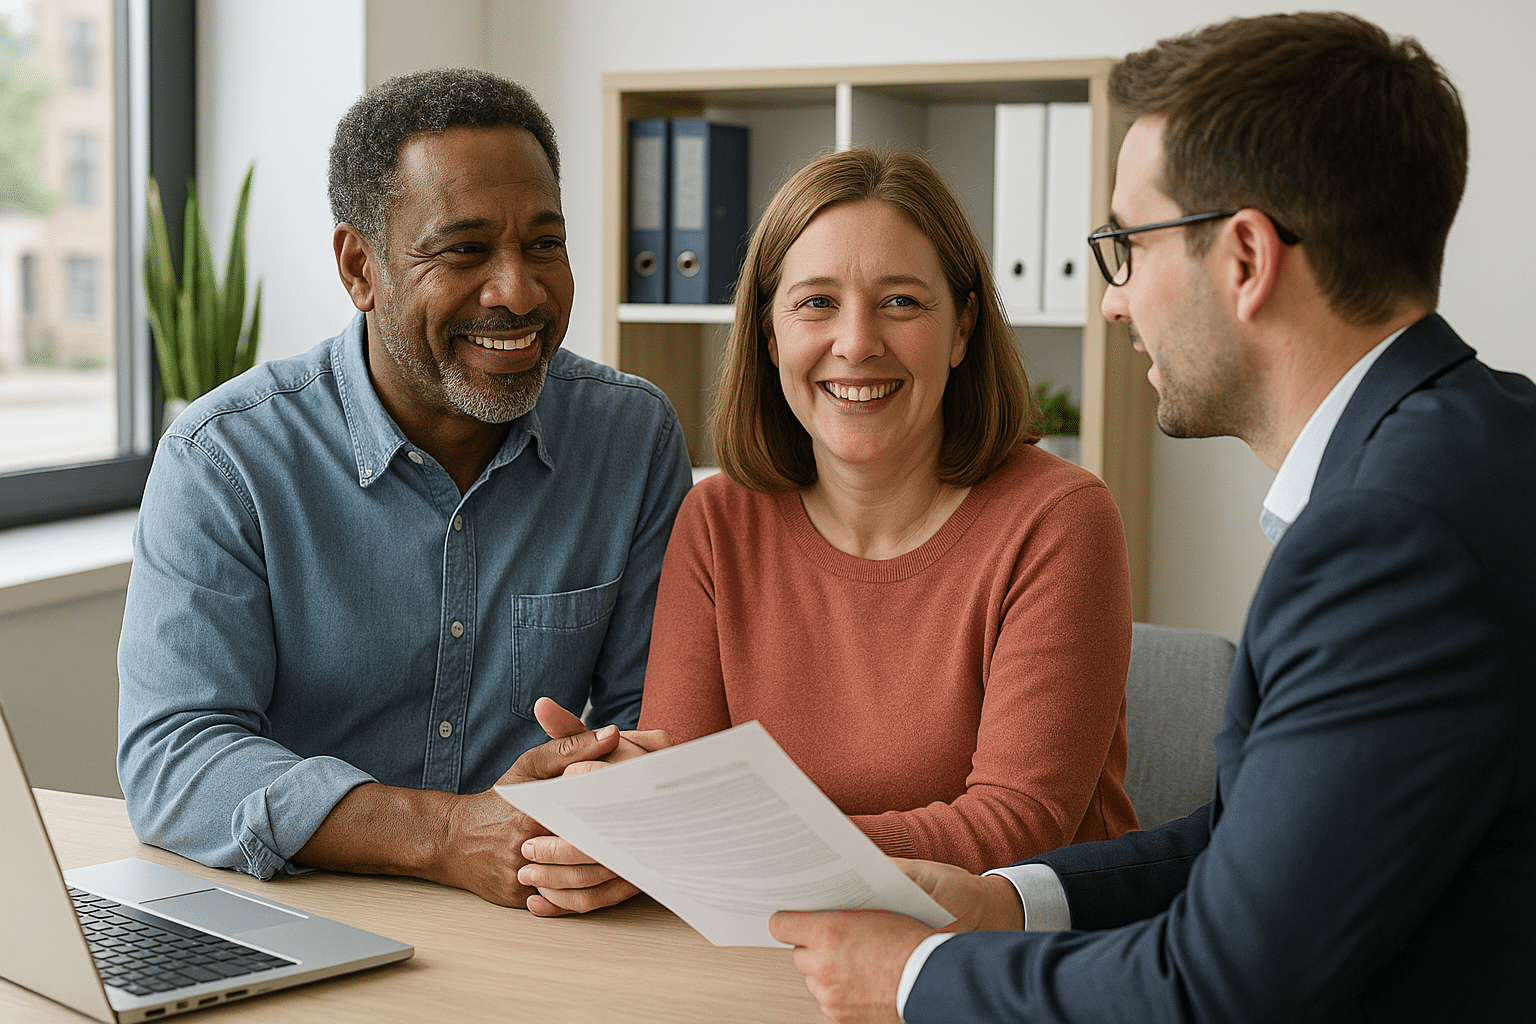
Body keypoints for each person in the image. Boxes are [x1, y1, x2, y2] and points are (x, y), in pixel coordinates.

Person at [768, 13, 1536, 1024]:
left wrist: (911, 980)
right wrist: (1010, 901)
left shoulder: (1391, 538)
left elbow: (1218, 987)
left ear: (1246, 258)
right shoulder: (1478, 439)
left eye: (1126, 247)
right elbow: (1252, 842)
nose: (1112, 303)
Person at [116, 68, 690, 908]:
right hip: (309, 911)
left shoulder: (631, 437)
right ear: (361, 267)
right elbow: (176, 758)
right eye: (464, 251)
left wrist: (603, 800)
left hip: (541, 916)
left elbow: (652, 718)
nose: (519, 291)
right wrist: (449, 835)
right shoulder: (224, 459)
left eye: (544, 244)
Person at [517, 147, 1138, 915]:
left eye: (901, 301)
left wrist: (718, 843)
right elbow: (688, 799)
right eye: (816, 302)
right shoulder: (717, 521)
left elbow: (1014, 830)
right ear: (770, 335)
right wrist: (613, 805)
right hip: (775, 938)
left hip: (1011, 955)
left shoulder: (1059, 520)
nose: (856, 342)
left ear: (962, 328)